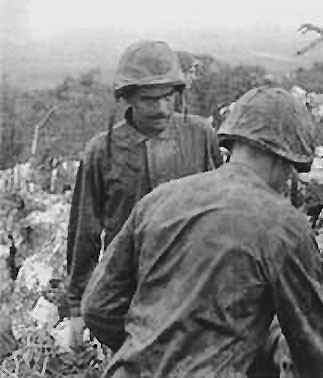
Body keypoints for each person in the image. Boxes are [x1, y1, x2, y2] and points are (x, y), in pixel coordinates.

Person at [81, 87, 323, 377]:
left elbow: (98, 307)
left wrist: (154, 349)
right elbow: (313, 348)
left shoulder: (159, 199)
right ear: (286, 160)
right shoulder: (284, 226)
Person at [64, 40, 224, 345]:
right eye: (149, 99)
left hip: (193, 279)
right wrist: (77, 307)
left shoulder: (200, 134)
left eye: (168, 97)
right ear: (129, 99)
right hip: (129, 285)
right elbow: (84, 230)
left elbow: (221, 205)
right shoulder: (102, 150)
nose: (162, 108)